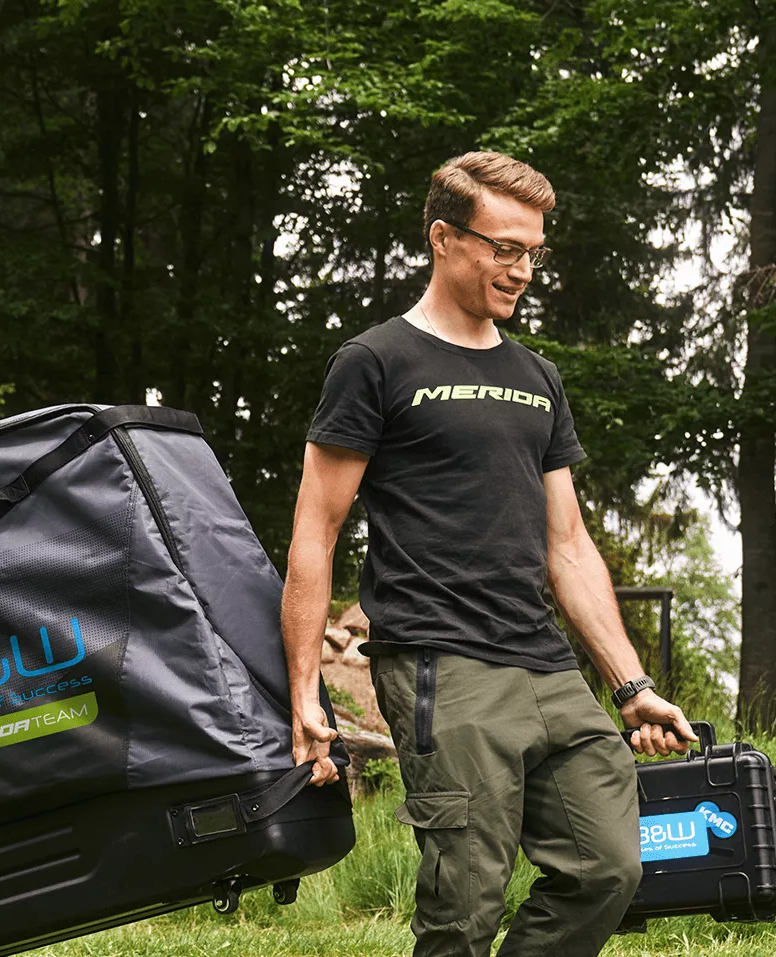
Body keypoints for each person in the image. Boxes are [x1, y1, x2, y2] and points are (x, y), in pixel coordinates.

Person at [280, 150, 696, 957]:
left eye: (534, 251)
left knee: (608, 866)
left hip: (546, 664)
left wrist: (631, 684)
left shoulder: (536, 377)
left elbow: (567, 544)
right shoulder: (375, 362)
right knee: (465, 902)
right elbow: (314, 532)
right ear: (443, 238)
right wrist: (306, 691)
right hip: (442, 665)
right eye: (505, 248)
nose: (523, 270)